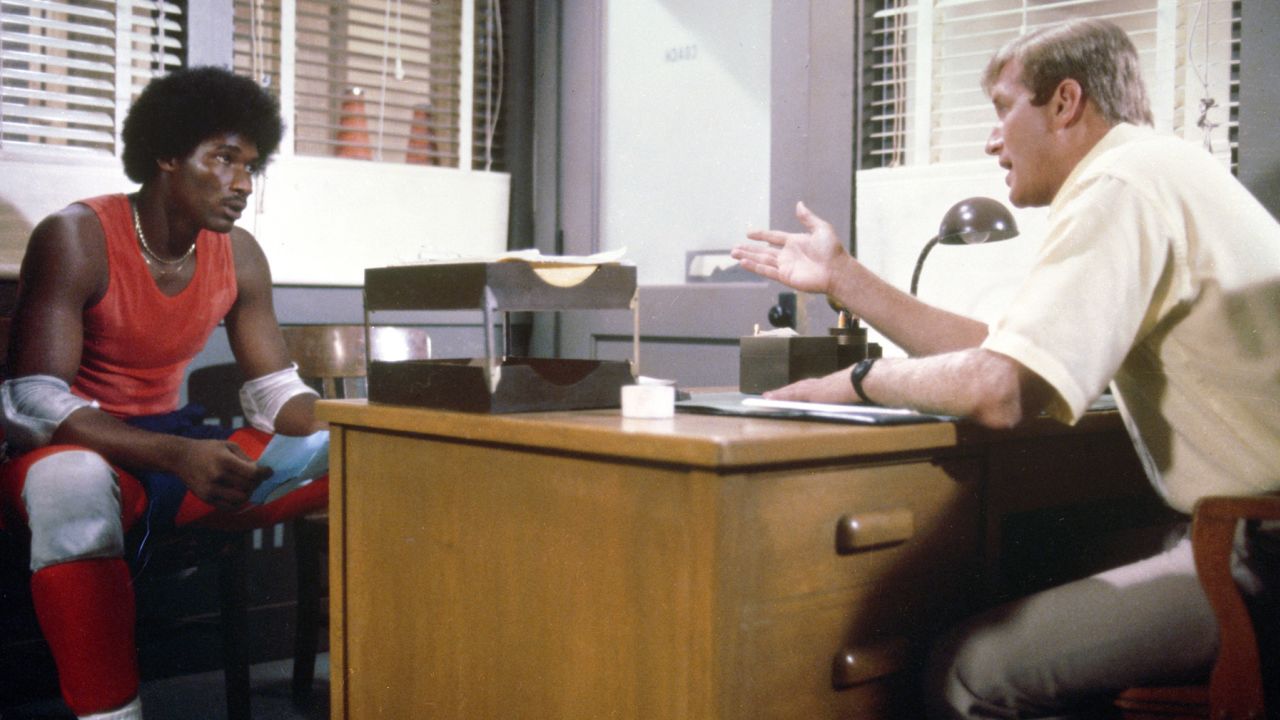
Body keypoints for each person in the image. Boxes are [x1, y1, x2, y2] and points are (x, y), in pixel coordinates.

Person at [733, 18, 1280, 719]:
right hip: (1240, 535)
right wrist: (845, 279)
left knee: (968, 670)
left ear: (1065, 103)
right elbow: (1011, 348)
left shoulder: (1118, 183)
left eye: (1002, 108)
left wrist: (857, 380)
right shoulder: (1159, 168)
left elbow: (996, 390)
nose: (991, 139)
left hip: (1257, 557)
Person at [0, 67, 328, 720]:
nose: (242, 183)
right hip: (80, 455)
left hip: (177, 455)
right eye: (225, 159)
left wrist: (368, 424)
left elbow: (275, 393)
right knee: (72, 483)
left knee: (358, 453)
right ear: (168, 153)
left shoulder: (241, 254)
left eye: (251, 165)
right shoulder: (77, 235)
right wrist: (177, 457)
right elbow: (32, 402)